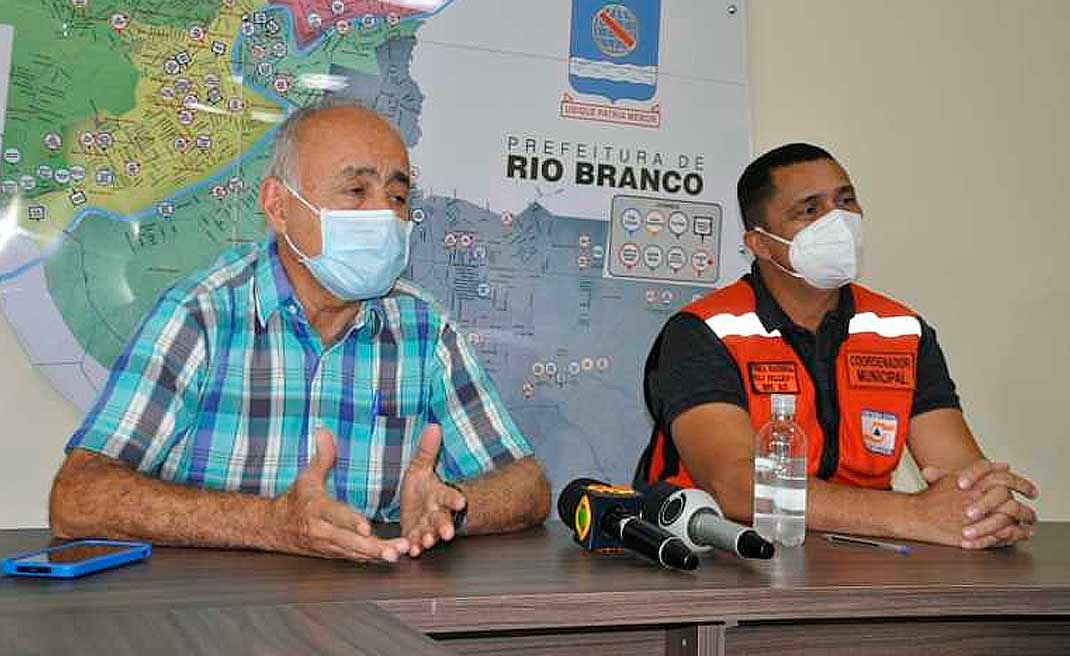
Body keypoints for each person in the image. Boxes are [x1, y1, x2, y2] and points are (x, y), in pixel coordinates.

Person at [49, 99, 551, 563]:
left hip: (366, 614)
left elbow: (527, 486)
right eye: (356, 191)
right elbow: (78, 498)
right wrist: (269, 523)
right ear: (279, 205)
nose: (383, 214)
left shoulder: (423, 328)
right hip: (212, 620)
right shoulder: (202, 314)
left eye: (397, 196)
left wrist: (452, 508)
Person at [636, 143, 1037, 549]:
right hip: (724, 560)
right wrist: (912, 513)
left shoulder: (901, 330)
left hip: (864, 560)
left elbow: (961, 476)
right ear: (759, 243)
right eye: (810, 209)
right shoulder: (704, 331)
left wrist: (984, 510)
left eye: (846, 201)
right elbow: (737, 487)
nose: (839, 221)